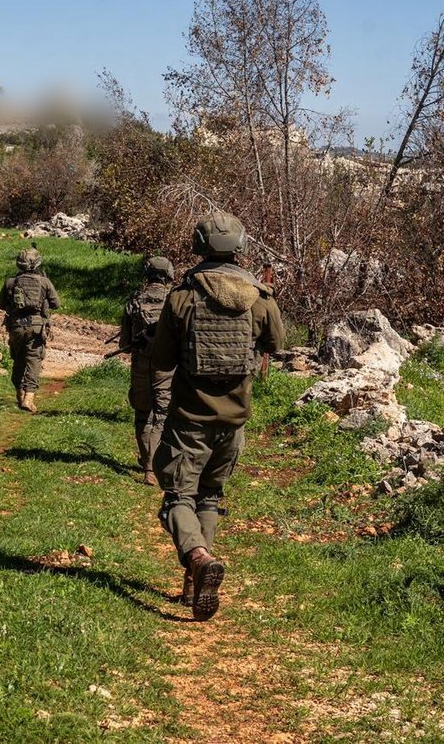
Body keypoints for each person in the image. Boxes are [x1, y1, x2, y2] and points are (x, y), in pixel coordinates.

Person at [149, 213, 284, 621]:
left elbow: (161, 359)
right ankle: (193, 587)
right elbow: (276, 344)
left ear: (198, 245)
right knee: (209, 497)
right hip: (234, 422)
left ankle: (198, 557)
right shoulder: (259, 297)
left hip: (189, 420)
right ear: (240, 246)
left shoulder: (182, 297)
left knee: (177, 499)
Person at [119, 256, 176, 486]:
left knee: (143, 413)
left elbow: (124, 343)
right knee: (162, 414)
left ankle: (147, 465)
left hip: (141, 364)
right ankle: (155, 465)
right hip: (166, 367)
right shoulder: (174, 300)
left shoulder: (134, 301)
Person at [0, 246, 61, 413]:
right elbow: (56, 303)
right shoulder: (44, 282)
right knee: (33, 360)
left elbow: (0, 304)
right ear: (37, 264)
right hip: (36, 327)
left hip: (16, 327)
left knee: (18, 359)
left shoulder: (11, 282)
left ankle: (19, 394)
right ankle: (29, 398)